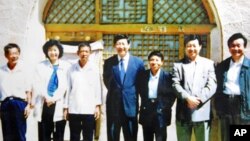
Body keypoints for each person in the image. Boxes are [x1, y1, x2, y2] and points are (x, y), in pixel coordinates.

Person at [172, 35, 217, 141]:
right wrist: (188, 98)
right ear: (185, 48)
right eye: (189, 46)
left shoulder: (208, 64)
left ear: (200, 46)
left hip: (202, 112)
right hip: (183, 113)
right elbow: (175, 84)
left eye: (194, 46)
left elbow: (212, 85)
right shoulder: (178, 65)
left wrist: (198, 99)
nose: (191, 49)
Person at [103, 34, 145, 141]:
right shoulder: (108, 62)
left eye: (123, 43)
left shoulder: (138, 63)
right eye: (118, 44)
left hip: (130, 105)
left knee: (131, 136)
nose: (121, 46)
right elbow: (107, 81)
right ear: (114, 46)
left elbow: (141, 84)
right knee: (112, 136)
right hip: (113, 106)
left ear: (129, 45)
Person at [32, 39, 70, 141]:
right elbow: (37, 84)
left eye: (55, 50)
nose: (53, 52)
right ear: (46, 52)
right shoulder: (40, 66)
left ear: (59, 51)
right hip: (44, 102)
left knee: (59, 133)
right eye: (50, 50)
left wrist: (54, 98)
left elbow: (65, 86)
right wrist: (47, 97)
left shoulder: (66, 66)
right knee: (44, 134)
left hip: (59, 103)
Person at [215, 33, 250, 141]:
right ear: (229, 48)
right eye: (232, 46)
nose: (235, 48)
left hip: (242, 106)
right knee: (226, 137)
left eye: (238, 45)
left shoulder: (248, 66)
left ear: (244, 47)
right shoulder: (223, 66)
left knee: (240, 136)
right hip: (226, 105)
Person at [64, 42, 102, 141]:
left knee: (88, 136)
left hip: (89, 109)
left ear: (90, 53)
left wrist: (97, 106)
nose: (84, 53)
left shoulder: (94, 69)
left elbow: (97, 88)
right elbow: (68, 88)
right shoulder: (71, 69)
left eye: (86, 51)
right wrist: (66, 107)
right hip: (74, 109)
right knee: (74, 136)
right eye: (82, 51)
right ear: (77, 53)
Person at [137, 50, 176, 141]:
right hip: (146, 111)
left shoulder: (168, 77)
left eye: (157, 60)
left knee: (161, 138)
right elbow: (140, 91)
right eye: (152, 60)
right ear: (149, 62)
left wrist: (165, 106)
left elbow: (172, 95)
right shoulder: (143, 76)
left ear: (162, 62)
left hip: (161, 112)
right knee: (147, 138)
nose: (154, 62)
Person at [0, 43, 32, 141]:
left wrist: (28, 106)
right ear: (6, 55)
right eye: (11, 53)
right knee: (7, 135)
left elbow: (28, 90)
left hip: (20, 104)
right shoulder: (1, 70)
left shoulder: (24, 70)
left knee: (20, 134)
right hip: (5, 104)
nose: (14, 56)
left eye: (16, 53)